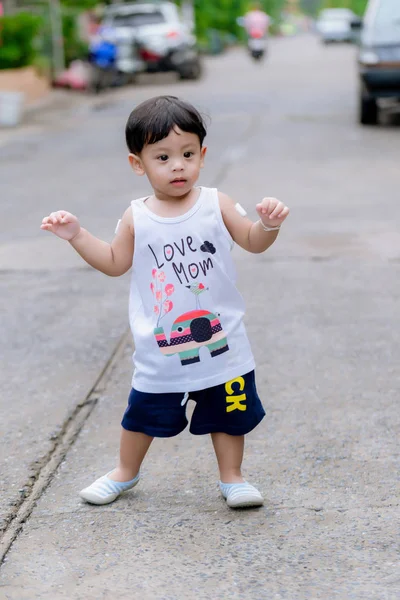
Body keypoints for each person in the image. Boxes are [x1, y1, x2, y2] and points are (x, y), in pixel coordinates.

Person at [41, 96, 289, 509]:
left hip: (223, 343)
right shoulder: (137, 216)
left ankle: (233, 478)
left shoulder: (216, 203)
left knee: (229, 416)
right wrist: (78, 237)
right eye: (163, 157)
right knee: (142, 416)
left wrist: (269, 225)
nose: (178, 165)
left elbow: (252, 240)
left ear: (202, 155)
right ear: (138, 164)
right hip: (162, 352)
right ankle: (125, 472)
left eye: (188, 154)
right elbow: (115, 262)